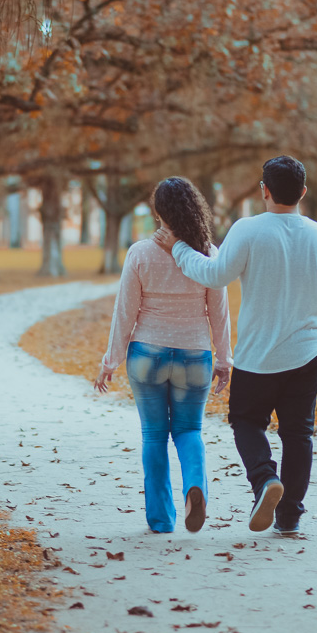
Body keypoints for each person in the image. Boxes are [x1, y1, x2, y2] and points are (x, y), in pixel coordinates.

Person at [153, 156, 317, 535]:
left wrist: (177, 248)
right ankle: (289, 517)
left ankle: (264, 480)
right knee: (298, 434)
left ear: (265, 190)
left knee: (245, 421)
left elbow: (214, 274)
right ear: (303, 193)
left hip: (257, 356)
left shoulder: (248, 230)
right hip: (307, 353)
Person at [96, 177, 232, 534]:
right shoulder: (208, 254)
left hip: (148, 354)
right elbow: (220, 313)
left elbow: (125, 311)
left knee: (154, 436)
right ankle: (194, 488)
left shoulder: (140, 253)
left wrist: (110, 360)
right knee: (189, 429)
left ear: (158, 211)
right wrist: (224, 359)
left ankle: (160, 519)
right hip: (194, 355)